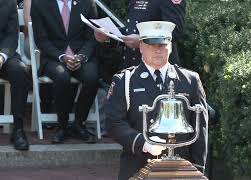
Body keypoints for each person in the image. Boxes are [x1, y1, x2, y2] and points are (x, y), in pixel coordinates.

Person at [105, 21, 208, 180]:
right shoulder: (125, 81)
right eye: (151, 45)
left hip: (180, 170)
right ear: (141, 47)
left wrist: (198, 168)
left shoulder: (190, 80)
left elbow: (200, 128)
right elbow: (114, 123)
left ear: (171, 47)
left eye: (163, 45)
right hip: (138, 167)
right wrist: (143, 143)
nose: (158, 50)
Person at [31, 0, 99, 143]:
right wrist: (62, 57)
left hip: (81, 56)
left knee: (92, 77)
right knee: (62, 76)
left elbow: (92, 37)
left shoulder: (87, 4)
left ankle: (79, 124)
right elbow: (41, 40)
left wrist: (81, 57)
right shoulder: (40, 4)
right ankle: (62, 126)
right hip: (54, 58)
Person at [94, 0, 186, 69]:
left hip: (157, 68)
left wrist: (144, 41)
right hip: (130, 66)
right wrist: (109, 35)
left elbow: (175, 31)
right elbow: (132, 30)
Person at [1, 0, 31, 150]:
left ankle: (18, 129)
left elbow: (12, 35)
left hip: (4, 55)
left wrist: (2, 56)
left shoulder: (8, 2)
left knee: (20, 71)